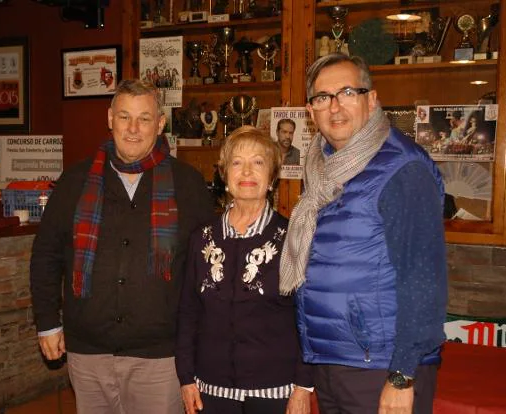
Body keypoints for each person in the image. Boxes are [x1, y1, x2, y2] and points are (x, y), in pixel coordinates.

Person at [30, 79, 214, 414]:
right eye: (124, 116)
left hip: (161, 357)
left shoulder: (188, 185)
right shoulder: (74, 182)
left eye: (144, 118)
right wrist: (47, 322)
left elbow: (206, 268)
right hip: (87, 353)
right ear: (110, 118)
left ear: (160, 124)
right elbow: (46, 255)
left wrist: (200, 341)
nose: (133, 128)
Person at [279, 53, 448, 414]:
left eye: (348, 92)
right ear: (311, 112)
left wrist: (402, 376)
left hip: (382, 366)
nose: (335, 106)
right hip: (334, 359)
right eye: (323, 97)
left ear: (371, 101)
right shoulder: (323, 171)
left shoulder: (403, 170)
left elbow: (423, 281)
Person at [176, 125, 313, 414]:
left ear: (272, 177)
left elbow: (308, 317)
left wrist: (304, 385)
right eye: (237, 163)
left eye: (258, 162)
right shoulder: (201, 238)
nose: (247, 172)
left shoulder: (293, 238)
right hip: (210, 389)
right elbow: (189, 313)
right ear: (224, 175)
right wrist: (186, 377)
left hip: (276, 391)